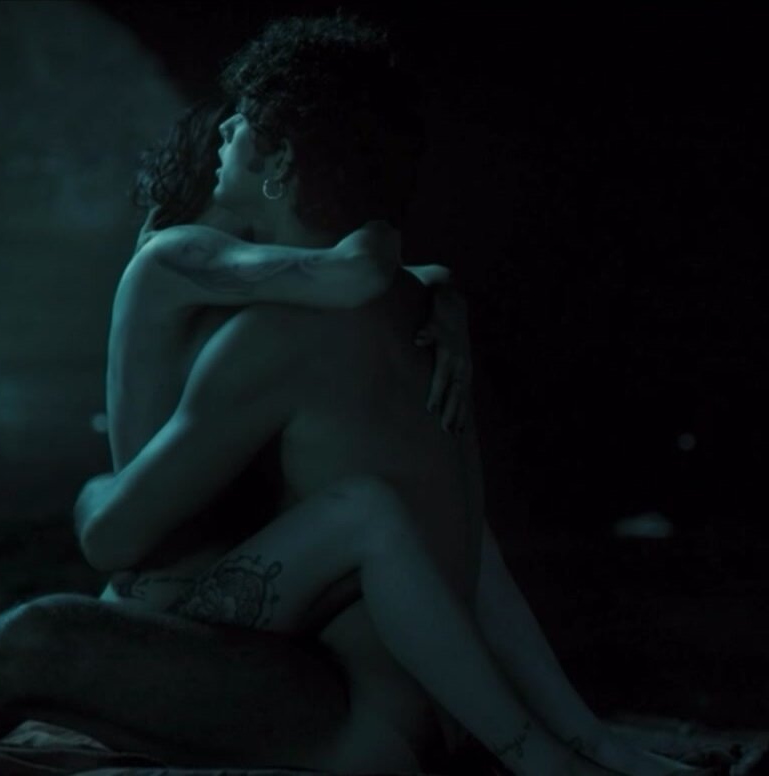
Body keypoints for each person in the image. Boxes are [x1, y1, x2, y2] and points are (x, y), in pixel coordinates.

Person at [0, 14, 700, 776]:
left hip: (344, 715)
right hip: (382, 696)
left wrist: (102, 500)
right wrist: (566, 732)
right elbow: (466, 539)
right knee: (58, 637)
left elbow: (117, 532)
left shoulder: (263, 331)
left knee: (47, 631)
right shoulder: (404, 313)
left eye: (237, 134)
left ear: (277, 163)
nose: (219, 149)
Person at [73, 15, 703, 776]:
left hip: (230, 578)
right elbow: (354, 274)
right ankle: (540, 754)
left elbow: (343, 283)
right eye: (223, 134)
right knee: (373, 511)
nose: (228, 138)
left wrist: (436, 292)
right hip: (167, 595)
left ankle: (585, 740)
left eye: (239, 128)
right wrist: (398, 248)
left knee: (443, 507)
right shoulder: (178, 256)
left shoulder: (248, 283)